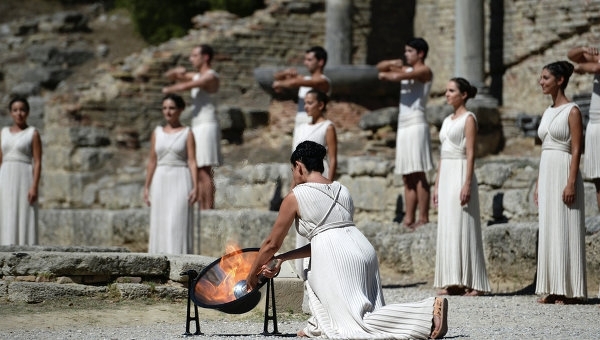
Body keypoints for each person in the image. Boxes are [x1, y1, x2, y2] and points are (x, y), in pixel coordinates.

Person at [244, 141, 449, 339]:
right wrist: (282, 258)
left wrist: (251, 275)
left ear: (298, 166)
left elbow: (272, 243)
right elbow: (327, 240)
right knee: (363, 312)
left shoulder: (295, 196)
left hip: (338, 259)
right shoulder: (342, 190)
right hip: (364, 251)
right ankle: (318, 327)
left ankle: (427, 312)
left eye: (292, 170)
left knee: (358, 325)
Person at [534, 61, 587, 304]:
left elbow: (577, 149)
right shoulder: (547, 112)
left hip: (565, 169)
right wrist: (537, 183)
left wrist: (571, 182)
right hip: (547, 171)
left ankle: (570, 289)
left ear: (560, 80)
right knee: (550, 228)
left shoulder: (572, 111)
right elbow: (543, 149)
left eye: (546, 78)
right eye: (541, 77)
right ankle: (553, 287)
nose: (541, 82)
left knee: (566, 226)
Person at [432, 78, 491, 296]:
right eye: (446, 90)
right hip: (446, 173)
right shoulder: (447, 120)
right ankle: (453, 280)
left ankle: (475, 282)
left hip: (460, 172)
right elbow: (442, 153)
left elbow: (471, 153)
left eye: (451, 91)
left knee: (463, 223)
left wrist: (467, 182)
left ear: (463, 94)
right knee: (448, 226)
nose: (447, 94)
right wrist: (437, 185)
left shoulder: (469, 119)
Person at [377, 37, 434, 230]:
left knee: (418, 172)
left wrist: (391, 74)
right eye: (405, 51)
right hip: (404, 125)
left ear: (421, 53)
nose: (406, 54)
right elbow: (380, 68)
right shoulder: (407, 70)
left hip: (417, 123)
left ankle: (424, 217)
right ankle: (409, 218)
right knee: (407, 175)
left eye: (410, 51)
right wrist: (393, 64)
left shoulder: (424, 71)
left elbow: (394, 77)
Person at [163, 44, 221, 210]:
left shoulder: (211, 76)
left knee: (204, 170)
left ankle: (208, 209)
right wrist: (175, 72)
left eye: (194, 55)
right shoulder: (196, 76)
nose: (191, 59)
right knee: (197, 168)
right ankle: (203, 207)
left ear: (206, 57)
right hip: (198, 126)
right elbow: (171, 76)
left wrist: (168, 89)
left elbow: (184, 86)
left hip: (207, 125)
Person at [291, 89, 337, 282]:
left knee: (317, 223)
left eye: (310, 102)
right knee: (302, 223)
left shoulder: (328, 126)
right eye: (305, 102)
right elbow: (295, 161)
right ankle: (302, 273)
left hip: (319, 176)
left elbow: (333, 159)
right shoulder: (300, 127)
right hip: (301, 178)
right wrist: (293, 185)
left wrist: (330, 187)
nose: (306, 106)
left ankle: (320, 273)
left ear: (321, 104)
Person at [144, 94, 198, 254]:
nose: (168, 112)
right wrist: (146, 187)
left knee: (177, 221)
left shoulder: (187, 133)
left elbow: (192, 161)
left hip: (180, 177)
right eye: (165, 108)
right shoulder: (157, 133)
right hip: (160, 179)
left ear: (180, 110)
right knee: (160, 221)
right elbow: (152, 161)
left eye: (172, 108)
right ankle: (157, 260)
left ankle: (179, 261)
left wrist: (196, 187)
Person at [0, 97, 42, 246]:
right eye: (15, 110)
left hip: (24, 176)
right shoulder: (3, 132)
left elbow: (37, 161)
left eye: (22, 110)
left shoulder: (32, 133)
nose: (19, 113)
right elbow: (0, 159)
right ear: (11, 113)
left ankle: (26, 249)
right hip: (5, 177)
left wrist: (34, 186)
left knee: (24, 212)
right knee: (5, 212)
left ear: (28, 112)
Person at [272, 46, 331, 147]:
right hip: (300, 122)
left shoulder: (323, 81)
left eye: (309, 60)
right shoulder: (306, 79)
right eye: (305, 59)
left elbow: (294, 82)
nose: (305, 63)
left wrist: (280, 84)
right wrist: (286, 72)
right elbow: (277, 77)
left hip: (314, 123)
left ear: (320, 62)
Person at [567, 46, 600, 212]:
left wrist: (579, 68)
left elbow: (595, 67)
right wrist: (583, 48)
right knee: (598, 180)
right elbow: (571, 55)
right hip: (595, 125)